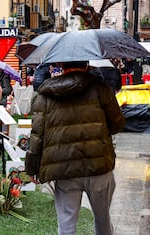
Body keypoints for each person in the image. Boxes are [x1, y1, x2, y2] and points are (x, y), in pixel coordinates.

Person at [25, 61, 125, 235]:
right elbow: (117, 124)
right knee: (103, 221)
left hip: (63, 168)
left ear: (60, 65)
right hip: (98, 164)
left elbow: (37, 136)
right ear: (86, 64)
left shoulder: (45, 95)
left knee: (66, 225)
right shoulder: (101, 89)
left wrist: (32, 168)